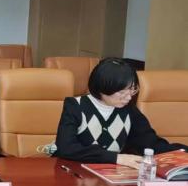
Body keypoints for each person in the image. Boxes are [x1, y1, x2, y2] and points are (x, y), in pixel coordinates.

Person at [54, 57, 187, 167]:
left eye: (132, 90)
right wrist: (115, 158)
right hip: (74, 171)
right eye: (122, 92)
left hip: (110, 175)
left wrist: (182, 152)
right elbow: (66, 148)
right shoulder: (75, 106)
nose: (128, 97)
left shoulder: (128, 109)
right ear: (102, 87)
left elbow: (151, 144)